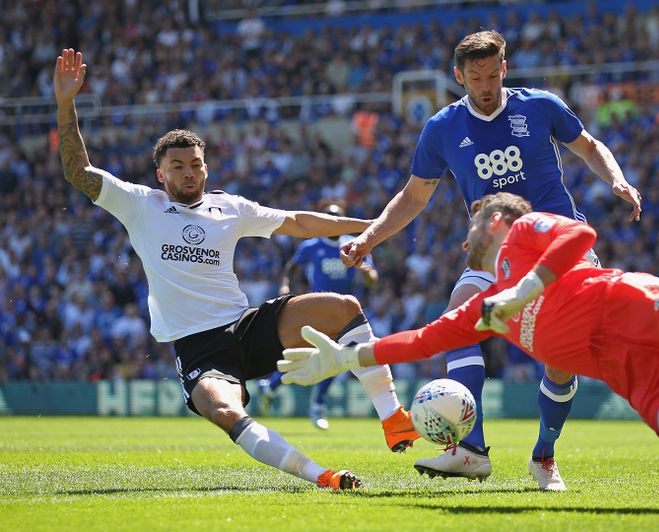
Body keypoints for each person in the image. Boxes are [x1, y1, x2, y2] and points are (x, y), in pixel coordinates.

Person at [281, 192, 659, 518]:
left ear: (495, 221)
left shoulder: (523, 232)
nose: (464, 232)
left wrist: (528, 286)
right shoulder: (484, 306)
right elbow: (420, 341)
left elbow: (583, 235)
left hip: (629, 304)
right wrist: (347, 359)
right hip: (621, 366)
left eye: (472, 220)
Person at [53, 49, 418, 491]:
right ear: (160, 174)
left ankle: (394, 418)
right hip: (199, 350)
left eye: (196, 164)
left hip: (245, 327)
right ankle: (321, 476)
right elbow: (77, 171)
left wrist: (374, 228)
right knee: (227, 412)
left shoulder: (230, 207)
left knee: (343, 306)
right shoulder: (139, 204)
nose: (190, 173)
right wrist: (65, 102)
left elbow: (300, 222)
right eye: (178, 167)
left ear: (206, 166)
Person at [339, 30, 642, 490]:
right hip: (492, 250)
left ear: (505, 67)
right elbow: (414, 196)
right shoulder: (442, 127)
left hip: (556, 247)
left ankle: (543, 456)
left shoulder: (539, 106)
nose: (485, 86)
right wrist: (369, 238)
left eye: (492, 74)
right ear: (459, 76)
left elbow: (589, 147)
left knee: (560, 361)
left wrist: (617, 180)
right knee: (458, 320)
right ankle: (472, 451)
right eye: (474, 77)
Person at [258, 200, 379, 430]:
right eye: (328, 216)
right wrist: (285, 286)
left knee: (339, 358)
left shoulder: (353, 245)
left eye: (336, 216)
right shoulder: (311, 246)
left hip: (346, 314)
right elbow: (292, 268)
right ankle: (288, 392)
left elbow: (373, 279)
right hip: (318, 309)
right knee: (313, 354)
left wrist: (365, 271)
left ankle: (282, 391)